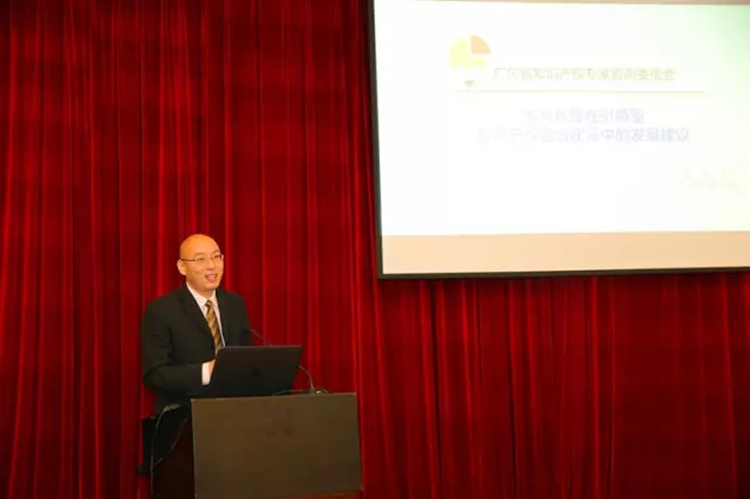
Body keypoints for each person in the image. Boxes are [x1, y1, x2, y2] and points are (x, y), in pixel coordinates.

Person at [140, 233, 253, 413]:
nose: (211, 266)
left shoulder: (234, 303)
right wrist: (206, 372)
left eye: (216, 257)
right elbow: (155, 375)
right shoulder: (161, 310)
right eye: (200, 260)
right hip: (185, 413)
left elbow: (246, 356)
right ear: (182, 267)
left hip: (235, 411)